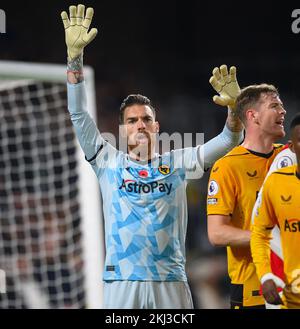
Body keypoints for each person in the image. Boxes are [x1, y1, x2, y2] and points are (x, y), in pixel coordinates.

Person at [61, 4, 244, 308]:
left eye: (146, 119)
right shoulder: (107, 161)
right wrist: (74, 58)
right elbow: (78, 113)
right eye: (132, 121)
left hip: (170, 282)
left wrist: (235, 110)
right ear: (122, 130)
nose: (140, 125)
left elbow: (229, 139)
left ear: (157, 127)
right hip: (122, 282)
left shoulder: (177, 164)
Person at [206, 81, 286, 308]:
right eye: (274, 105)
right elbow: (217, 234)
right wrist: (271, 239)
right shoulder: (227, 167)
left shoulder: (289, 156)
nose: (283, 111)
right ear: (253, 116)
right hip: (253, 290)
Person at [251, 114, 300, 309]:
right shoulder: (278, 181)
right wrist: (266, 274)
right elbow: (260, 232)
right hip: (291, 295)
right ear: (291, 146)